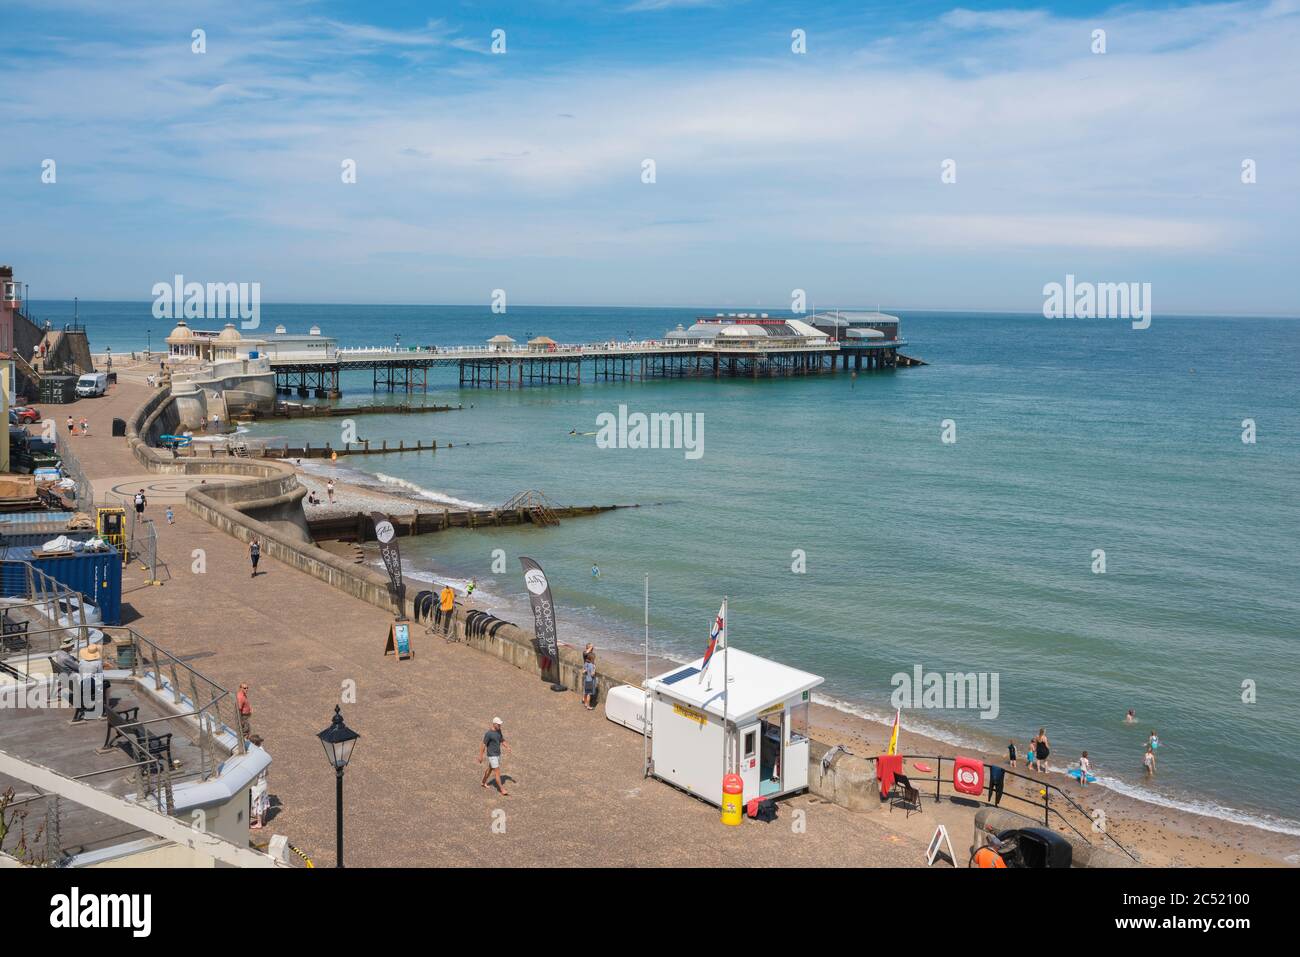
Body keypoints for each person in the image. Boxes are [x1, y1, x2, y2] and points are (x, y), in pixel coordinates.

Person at [479, 717, 511, 795]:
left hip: (498, 754)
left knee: (490, 769)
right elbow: (483, 745)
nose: (500, 726)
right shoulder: (489, 734)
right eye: (499, 724)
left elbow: (502, 740)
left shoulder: (499, 731)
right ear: (494, 724)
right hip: (492, 755)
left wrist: (507, 746)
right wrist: (480, 756)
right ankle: (502, 789)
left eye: (500, 724)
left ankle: (483, 782)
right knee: (497, 771)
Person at [248, 734, 269, 829]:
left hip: (258, 782)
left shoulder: (256, 754)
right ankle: (263, 820)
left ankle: (259, 823)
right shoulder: (263, 751)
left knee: (257, 803)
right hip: (264, 781)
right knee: (263, 801)